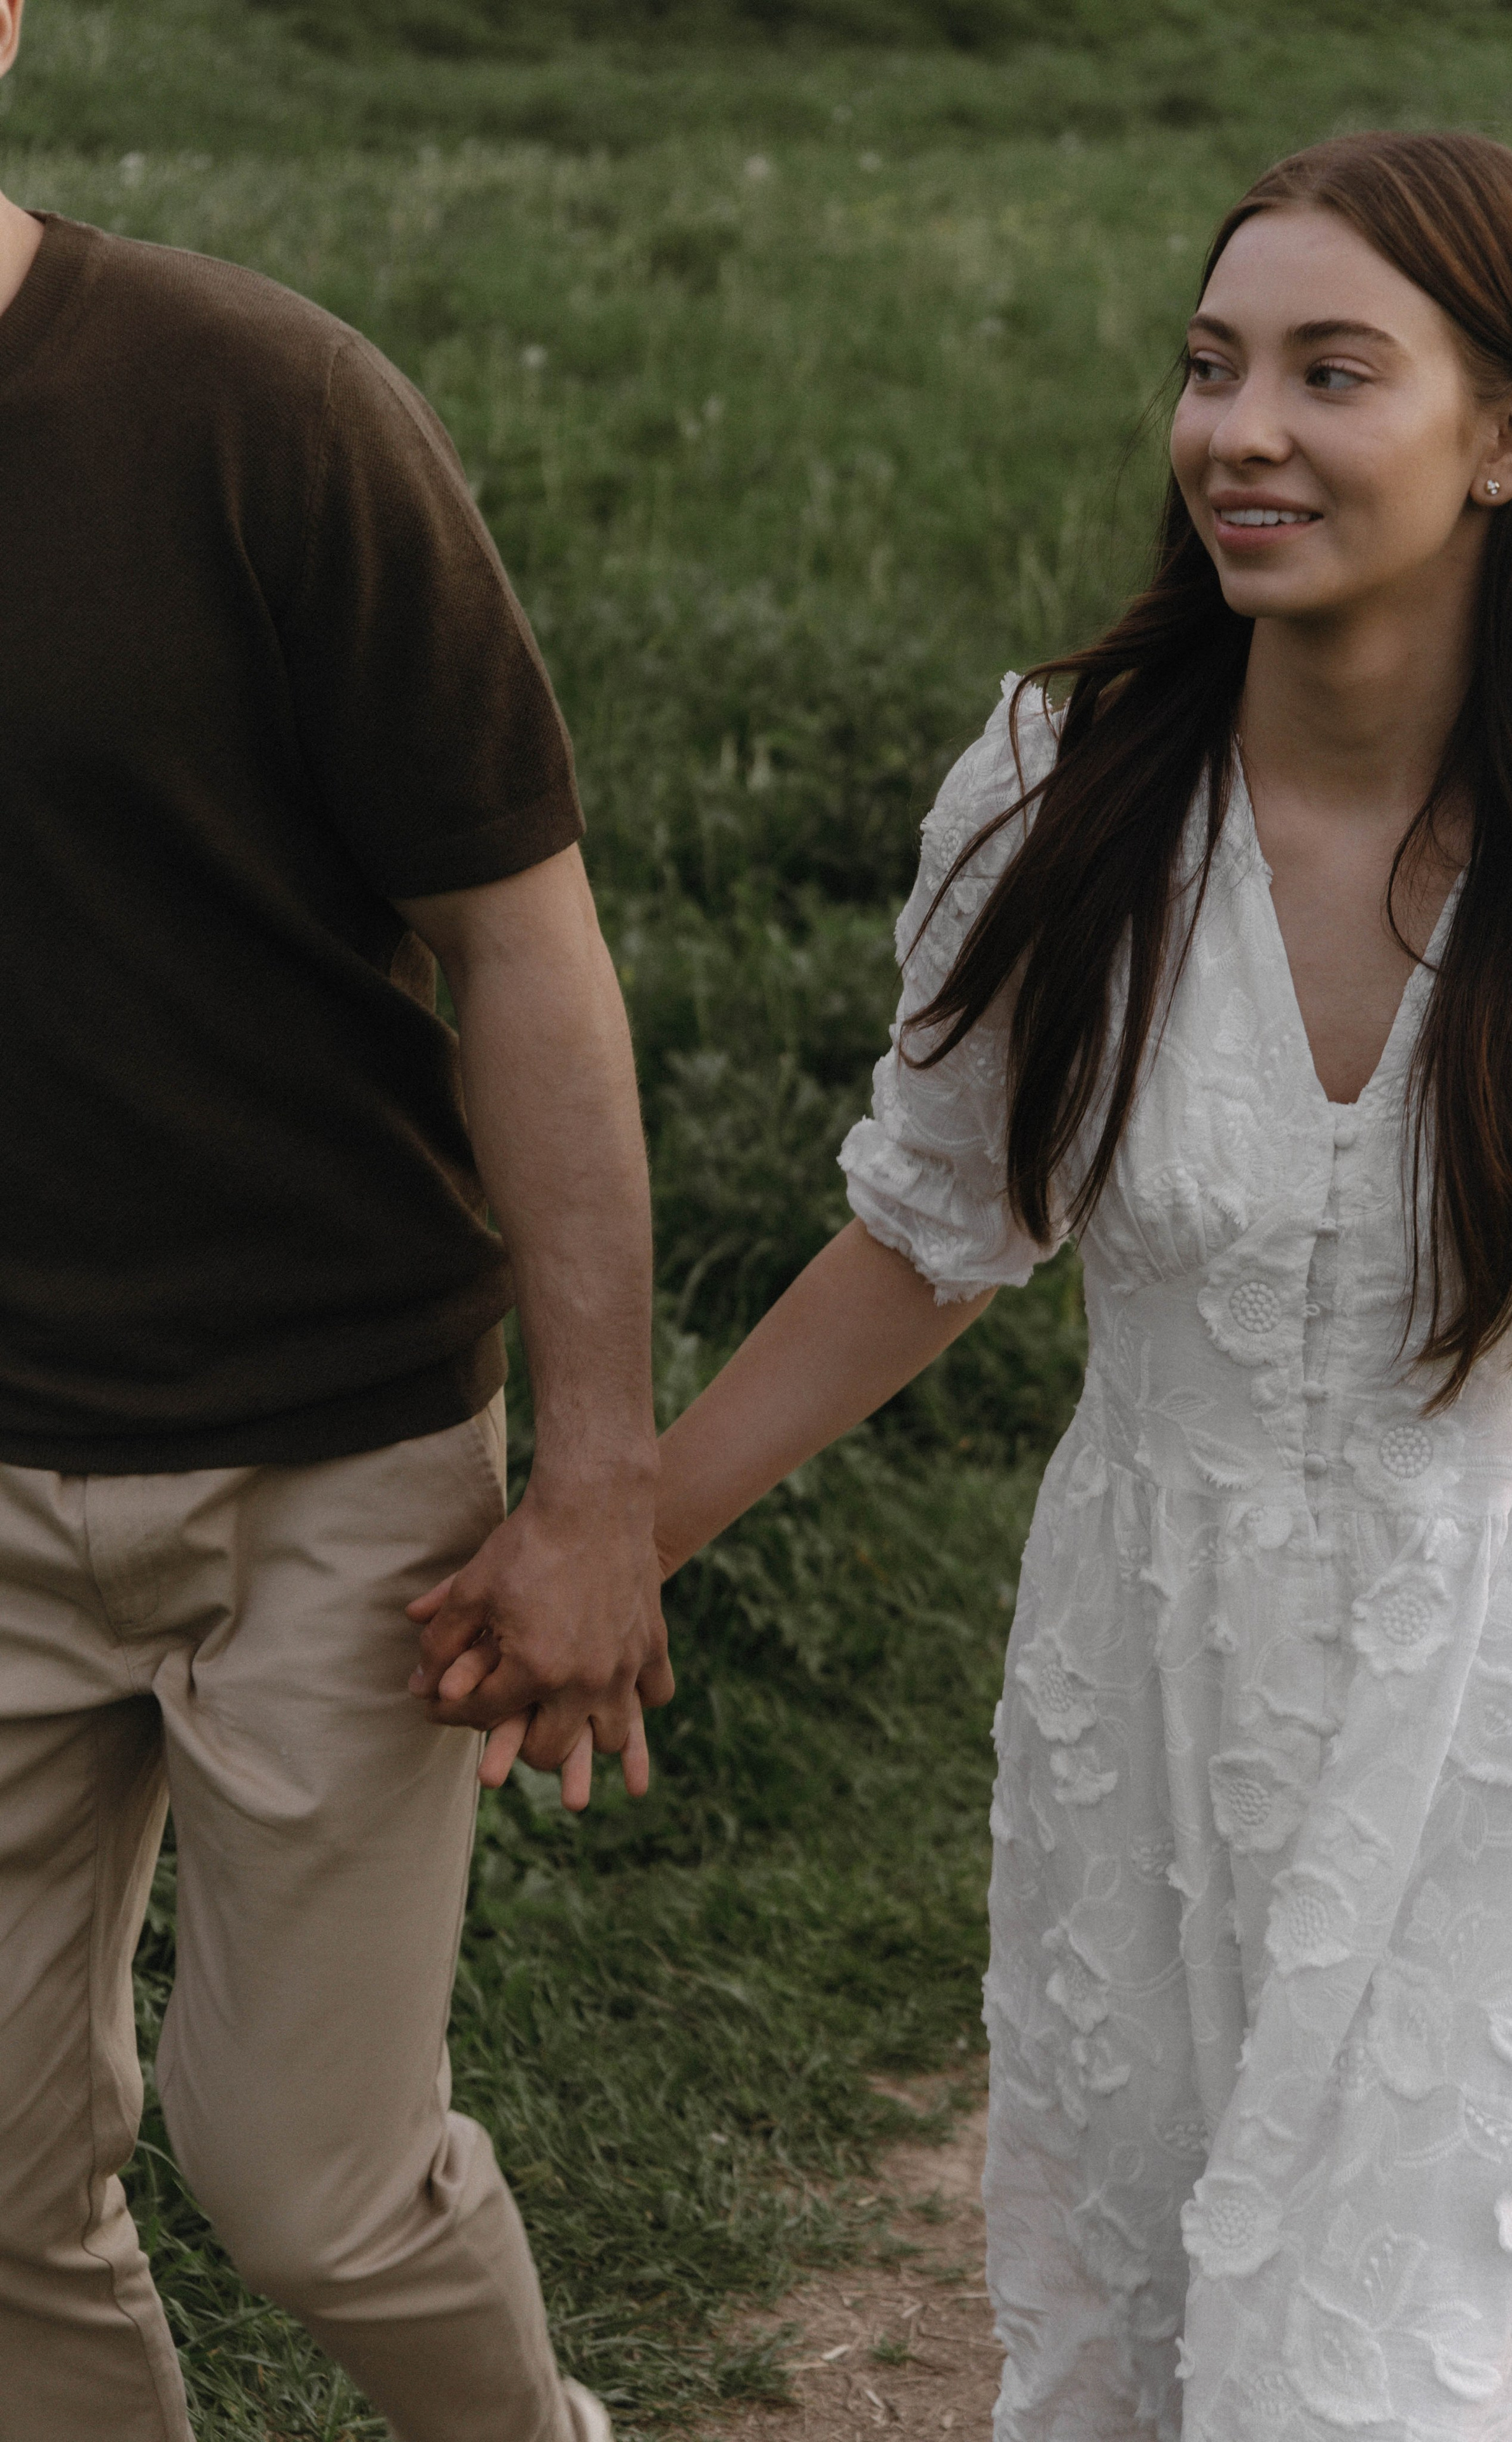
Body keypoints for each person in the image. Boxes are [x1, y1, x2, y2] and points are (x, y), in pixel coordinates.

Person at [552, 128, 1512, 2440]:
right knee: (1143, 2363)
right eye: (1211, 367)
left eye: (1332, 372)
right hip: (1148, 1696)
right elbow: (934, 1230)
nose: (1240, 432)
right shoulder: (1067, 791)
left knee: (1380, 2392)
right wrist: (620, 1541)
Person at [0, 2, 672, 2436]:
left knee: (313, 2188)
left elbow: (525, 945)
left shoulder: (258, 406)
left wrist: (598, 1487)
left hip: (336, 1465)